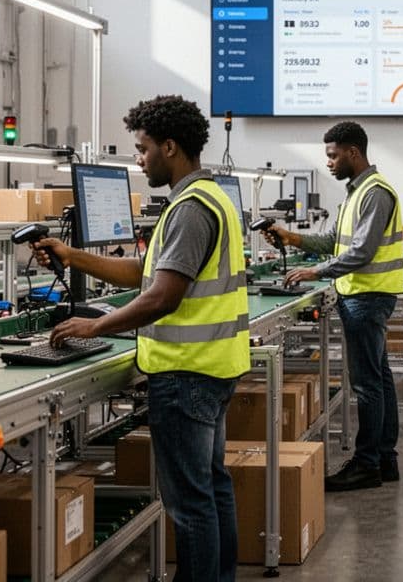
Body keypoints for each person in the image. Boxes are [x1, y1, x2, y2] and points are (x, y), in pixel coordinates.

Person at [34, 95, 248, 582]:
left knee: (190, 503)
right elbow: (146, 273)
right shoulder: (208, 198)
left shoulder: (191, 209)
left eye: (143, 148)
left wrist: (95, 326)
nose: (139, 159)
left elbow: (163, 297)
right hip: (211, 367)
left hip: (187, 373)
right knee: (211, 489)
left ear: (169, 147)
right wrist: (73, 255)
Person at [262, 121, 403, 492]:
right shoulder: (356, 193)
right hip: (364, 295)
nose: (328, 162)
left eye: (333, 155)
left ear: (353, 152)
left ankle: (366, 464)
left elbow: (361, 252)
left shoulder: (374, 193)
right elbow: (333, 241)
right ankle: (384, 460)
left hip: (367, 297)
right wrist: (292, 238)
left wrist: (316, 272)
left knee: (367, 385)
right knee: (379, 378)